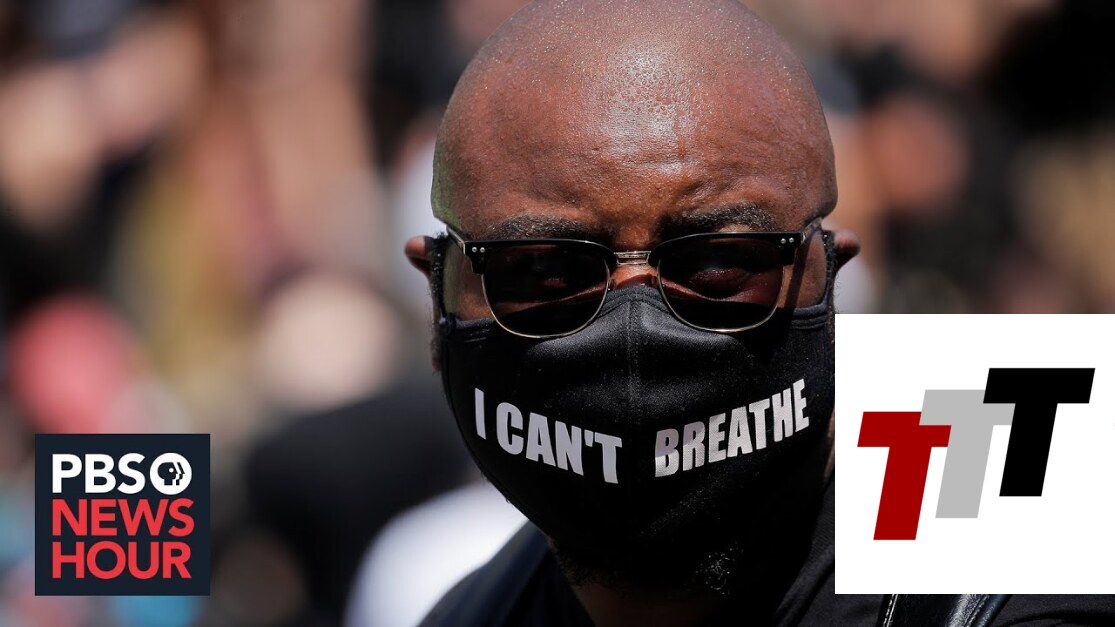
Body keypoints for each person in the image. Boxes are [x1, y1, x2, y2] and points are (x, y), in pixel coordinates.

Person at [402, 1, 1115, 625]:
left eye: (717, 265)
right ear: (438, 294)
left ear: (829, 276)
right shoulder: (470, 610)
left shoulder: (1032, 467)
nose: (635, 328)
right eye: (546, 271)